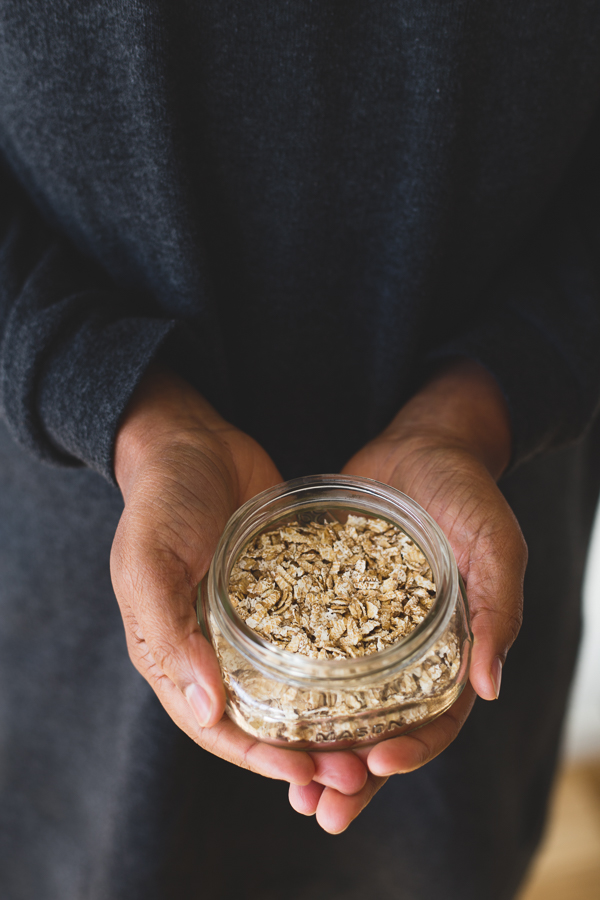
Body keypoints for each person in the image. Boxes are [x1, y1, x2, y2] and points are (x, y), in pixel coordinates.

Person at [1, 3, 600, 898]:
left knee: (430, 865)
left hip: (483, 488)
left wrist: (481, 405)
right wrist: (124, 409)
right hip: (72, 525)